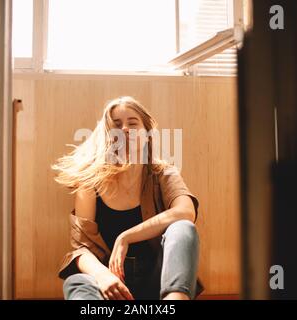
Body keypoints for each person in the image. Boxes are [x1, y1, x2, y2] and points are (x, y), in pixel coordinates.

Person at [52, 96, 204, 300]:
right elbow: (82, 248)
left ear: (147, 134)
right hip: (113, 286)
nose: (124, 129)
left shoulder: (163, 173)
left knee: (183, 228)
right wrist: (103, 276)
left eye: (132, 123)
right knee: (77, 281)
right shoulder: (89, 181)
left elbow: (185, 212)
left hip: (158, 281)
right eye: (116, 124)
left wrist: (126, 237)